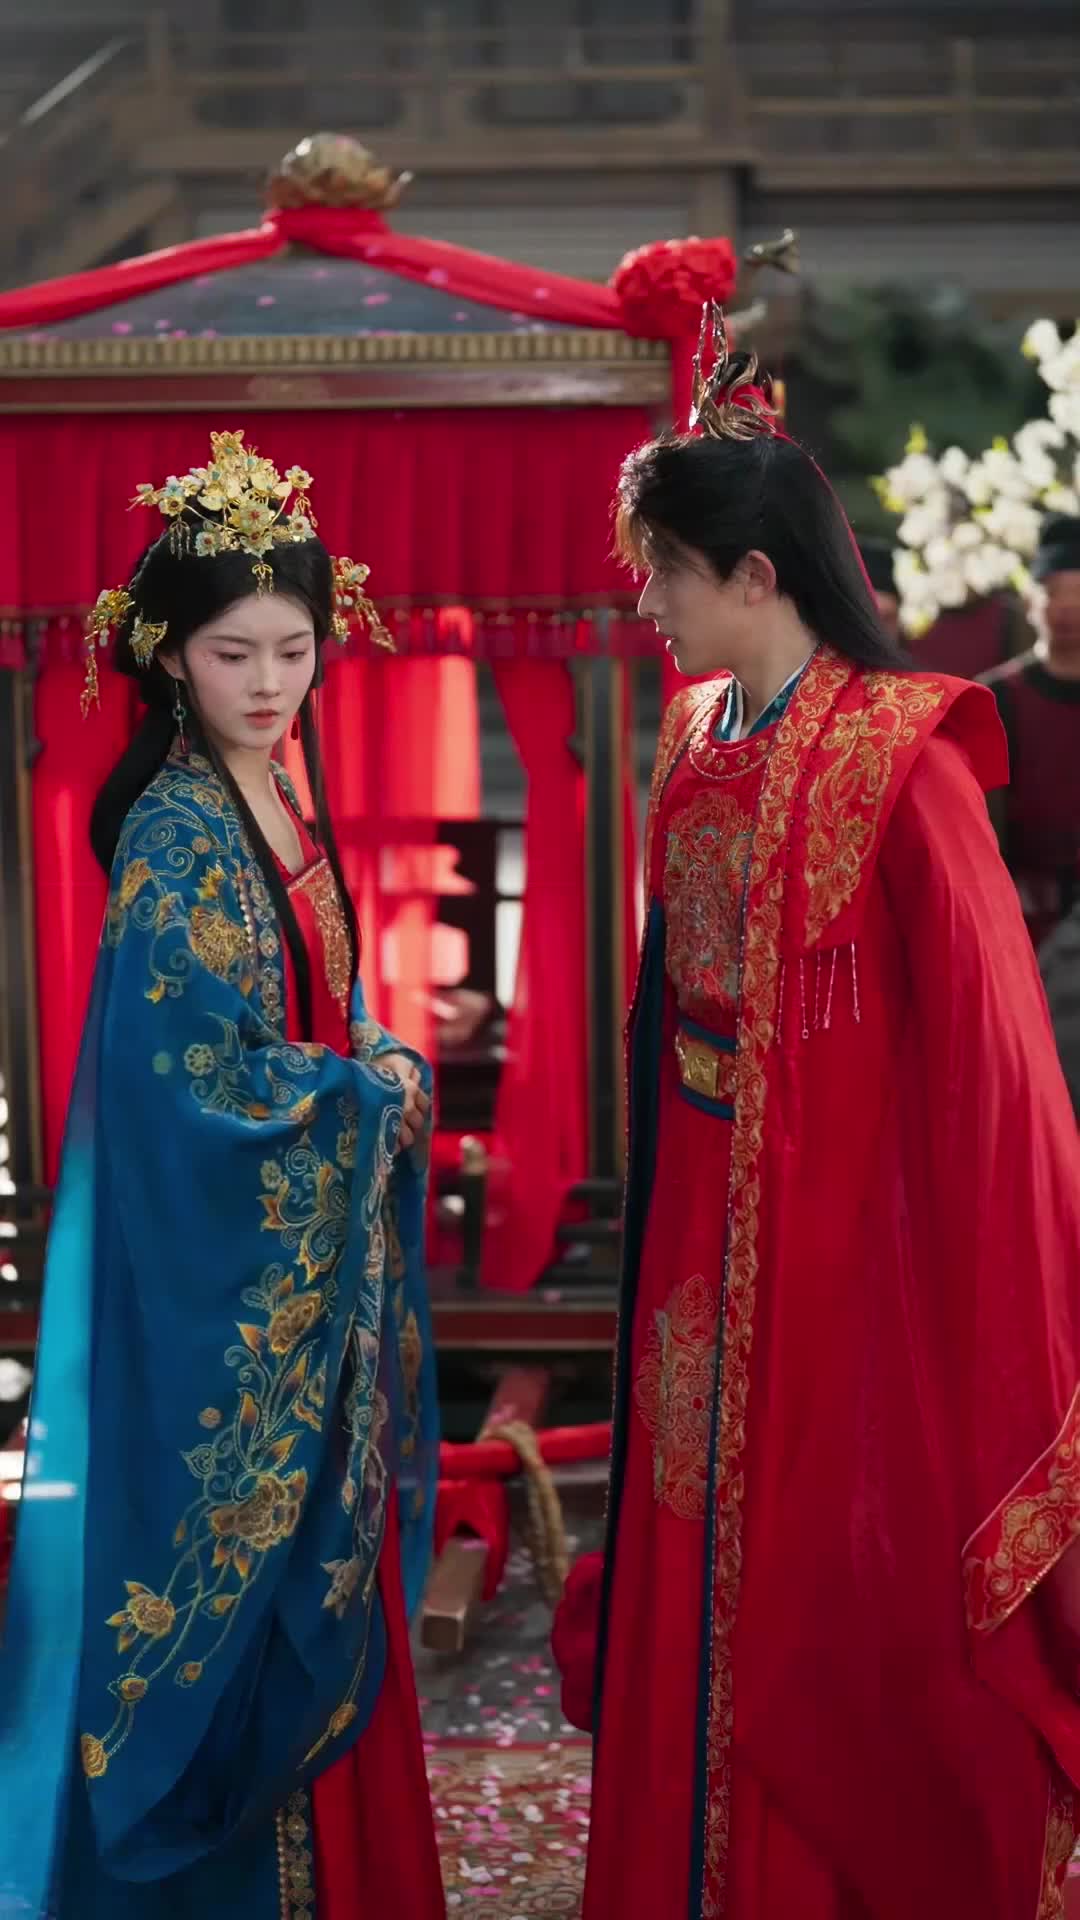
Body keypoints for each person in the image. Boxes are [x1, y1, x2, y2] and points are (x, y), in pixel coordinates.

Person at [553, 324, 1080, 1919]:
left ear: (756, 574)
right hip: (694, 1216)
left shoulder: (902, 754)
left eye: (666, 572)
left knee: (819, 1566)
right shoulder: (697, 733)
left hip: (842, 1232)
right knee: (684, 1527)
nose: (648, 603)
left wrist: (950, 1262)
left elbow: (995, 1047)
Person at [0, 433, 446, 1920]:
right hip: (223, 1291)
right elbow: (188, 1080)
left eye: (293, 651)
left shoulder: (275, 788)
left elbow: (310, 1011)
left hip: (297, 1280)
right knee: (222, 1598)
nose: (267, 683)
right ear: (170, 658)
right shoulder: (179, 829)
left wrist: (371, 1051)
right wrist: (361, 1094)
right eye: (231, 653)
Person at [982, 512, 1080, 948]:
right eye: (1053, 592)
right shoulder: (996, 697)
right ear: (1029, 601)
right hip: (1022, 917)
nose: (1067, 607)